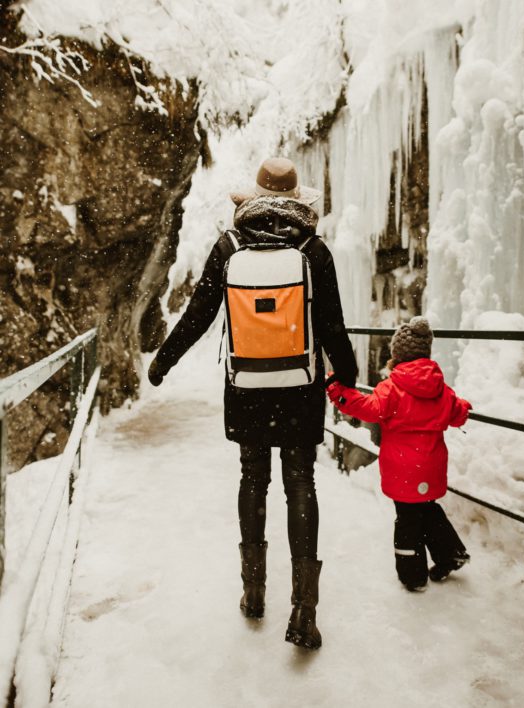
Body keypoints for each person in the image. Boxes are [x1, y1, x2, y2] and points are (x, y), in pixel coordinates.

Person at [148, 157, 358, 648]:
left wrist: (162, 363)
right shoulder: (313, 249)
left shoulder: (230, 245)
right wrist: (346, 378)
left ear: (253, 197)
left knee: (253, 480)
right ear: (296, 199)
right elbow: (332, 326)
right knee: (301, 482)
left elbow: (197, 315)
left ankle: (254, 594)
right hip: (301, 386)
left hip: (247, 388)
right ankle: (304, 610)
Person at [326, 316, 471, 592]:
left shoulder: (391, 388)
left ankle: (413, 576)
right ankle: (449, 552)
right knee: (427, 508)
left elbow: (367, 408)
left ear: (397, 355)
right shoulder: (441, 388)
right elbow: (457, 412)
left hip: (403, 468)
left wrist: (339, 393)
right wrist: (464, 408)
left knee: (407, 520)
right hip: (431, 465)